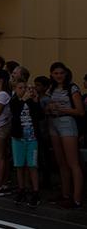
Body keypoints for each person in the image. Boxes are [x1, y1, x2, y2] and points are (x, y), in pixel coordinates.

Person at [45, 62, 83, 209]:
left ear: (66, 73)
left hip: (67, 124)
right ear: (52, 74)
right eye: (55, 73)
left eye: (61, 73)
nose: (59, 76)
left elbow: (80, 111)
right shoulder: (51, 89)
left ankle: (77, 199)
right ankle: (65, 194)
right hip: (53, 123)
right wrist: (49, 108)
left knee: (73, 163)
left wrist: (62, 109)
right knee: (61, 162)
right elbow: (47, 107)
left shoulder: (72, 88)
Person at [9, 79, 43, 208]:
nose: (23, 90)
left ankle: (35, 191)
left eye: (26, 88)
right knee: (19, 165)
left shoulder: (31, 101)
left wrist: (35, 101)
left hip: (32, 139)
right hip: (18, 139)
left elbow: (40, 116)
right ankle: (21, 189)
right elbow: (15, 114)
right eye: (20, 88)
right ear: (15, 89)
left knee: (32, 165)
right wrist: (23, 100)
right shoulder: (14, 102)